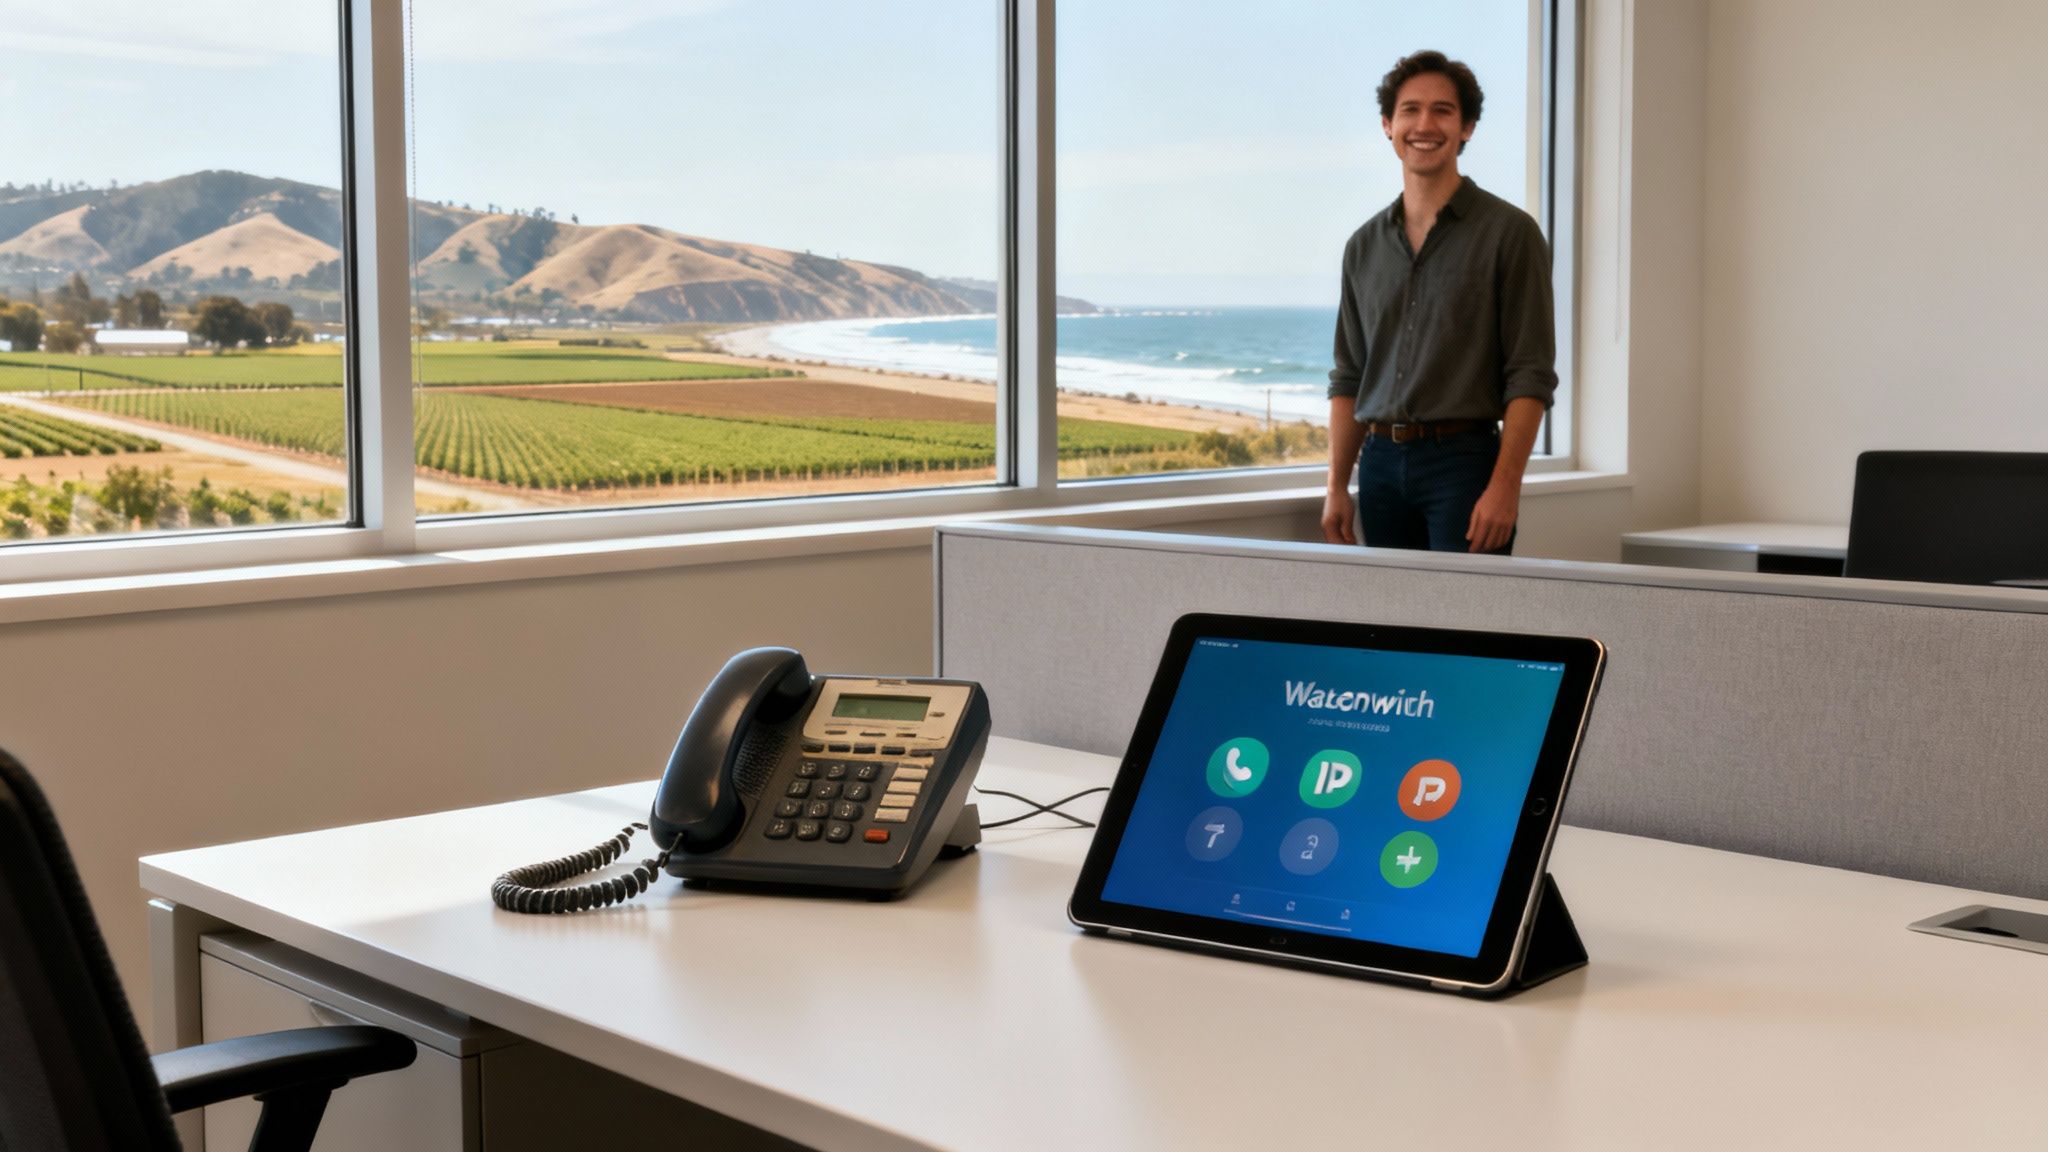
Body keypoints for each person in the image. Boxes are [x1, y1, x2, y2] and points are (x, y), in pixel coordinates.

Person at [1322, 50, 1558, 554]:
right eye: (1409, 110)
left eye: (1443, 111)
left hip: (1464, 465)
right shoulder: (1362, 247)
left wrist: (1505, 488)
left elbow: (1530, 373)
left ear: (1467, 127)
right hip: (1379, 467)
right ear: (1388, 125)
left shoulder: (1510, 234)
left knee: (1468, 626)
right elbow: (1349, 374)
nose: (1423, 124)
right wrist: (1337, 487)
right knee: (1389, 628)